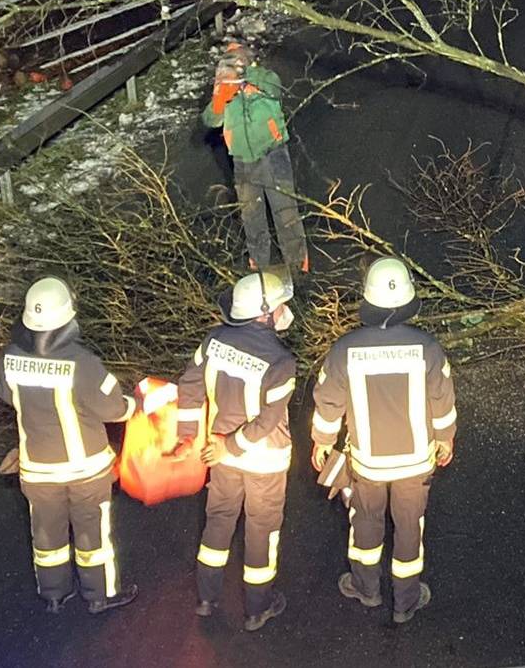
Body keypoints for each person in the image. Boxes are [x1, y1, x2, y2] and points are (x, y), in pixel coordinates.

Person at [311, 257, 457, 625]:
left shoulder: (345, 349)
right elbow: (442, 401)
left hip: (367, 463)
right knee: (409, 527)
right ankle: (406, 601)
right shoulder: (427, 347)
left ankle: (366, 588)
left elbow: (328, 402)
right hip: (415, 462)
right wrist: (445, 438)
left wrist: (322, 440)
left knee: (366, 521)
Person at [0, 277, 139, 614]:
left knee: (47, 535)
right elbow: (114, 409)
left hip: (38, 471)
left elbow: (4, 393)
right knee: (92, 535)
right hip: (85, 472)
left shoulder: (9, 357)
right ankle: (100, 595)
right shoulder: (82, 362)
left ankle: (54, 594)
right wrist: (137, 405)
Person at [176, 271, 299, 631]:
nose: (285, 311)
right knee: (262, 531)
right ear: (265, 312)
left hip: (219, 456)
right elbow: (266, 422)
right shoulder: (281, 362)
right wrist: (230, 447)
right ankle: (258, 608)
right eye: (281, 305)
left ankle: (206, 598)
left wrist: (188, 437)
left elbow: (189, 387)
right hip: (264, 461)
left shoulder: (213, 341)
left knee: (218, 521)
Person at [202, 39, 309, 275]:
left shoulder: (263, 78)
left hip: (273, 154)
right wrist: (220, 98)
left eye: (236, 62)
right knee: (251, 216)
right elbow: (210, 120)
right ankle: (259, 267)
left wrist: (246, 75)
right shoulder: (225, 88)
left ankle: (297, 265)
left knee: (285, 210)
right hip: (243, 161)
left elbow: (276, 88)